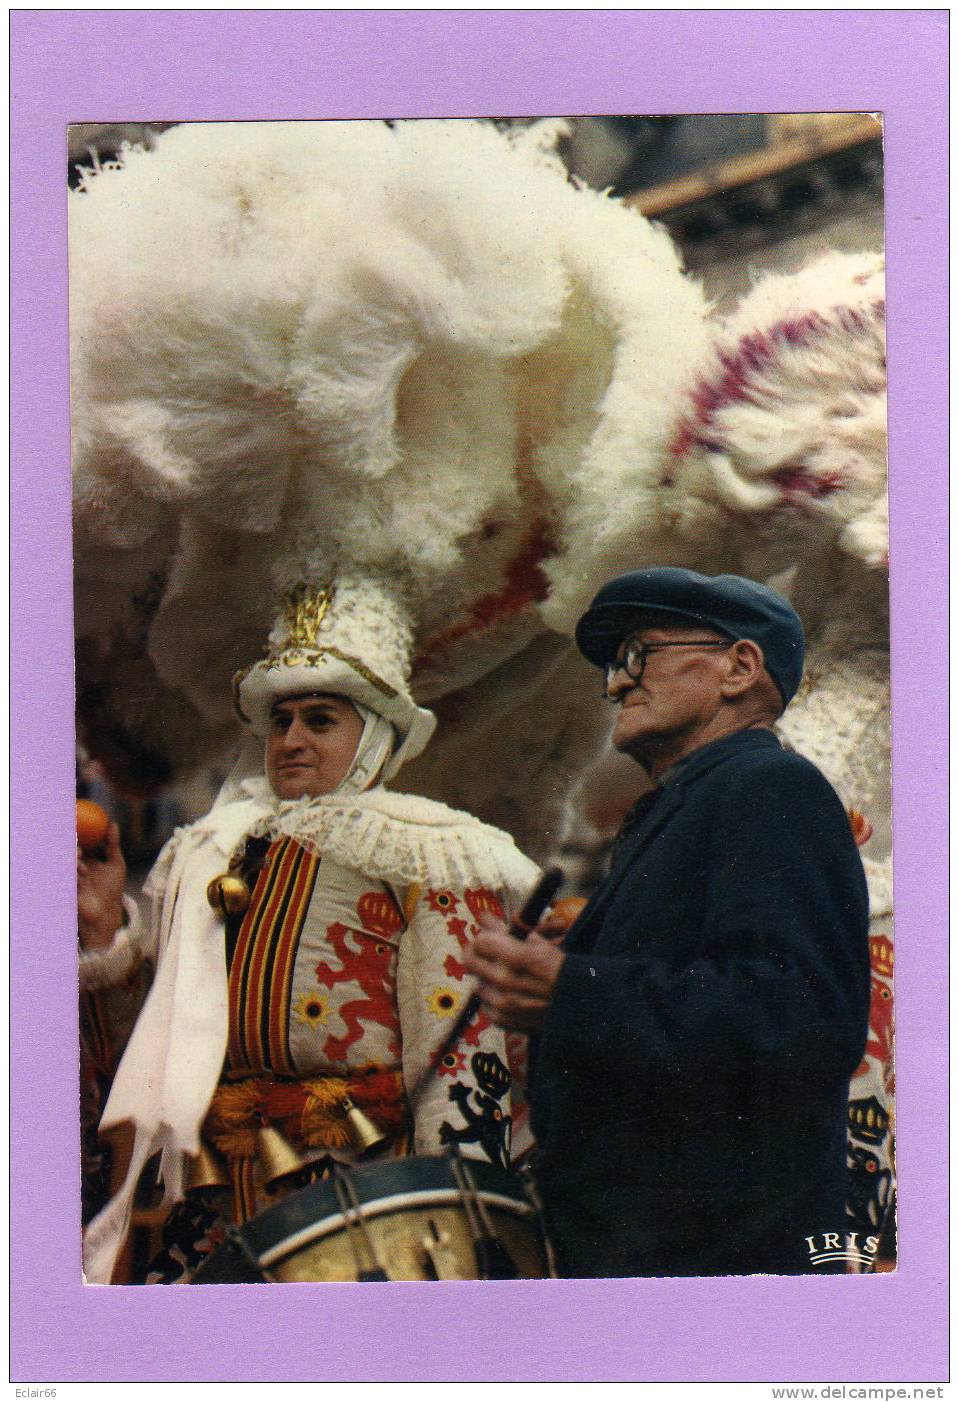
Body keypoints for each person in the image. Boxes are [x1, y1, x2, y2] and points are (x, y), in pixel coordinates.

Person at [82, 578, 539, 1284]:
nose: (291, 740)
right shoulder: (207, 849)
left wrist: (453, 1230)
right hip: (208, 1191)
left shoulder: (429, 850)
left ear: (375, 735)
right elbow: (148, 1044)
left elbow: (456, 1064)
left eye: (320, 720)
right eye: (281, 722)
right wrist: (106, 932)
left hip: (359, 1188)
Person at [465, 567, 870, 1277]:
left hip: (720, 1268)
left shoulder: (768, 786)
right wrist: (589, 959)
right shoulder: (692, 804)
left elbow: (800, 1017)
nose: (615, 685)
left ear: (738, 667)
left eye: (634, 656)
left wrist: (576, 989)